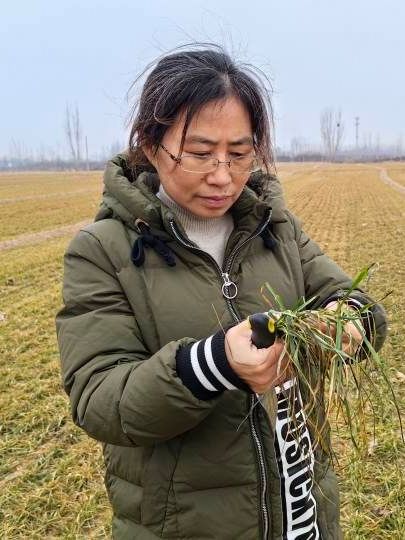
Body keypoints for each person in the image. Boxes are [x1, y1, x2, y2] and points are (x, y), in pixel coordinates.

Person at [56, 45, 387, 540]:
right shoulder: (103, 251)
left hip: (301, 511)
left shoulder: (274, 228)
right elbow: (101, 400)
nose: (223, 176)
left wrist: (345, 325)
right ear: (151, 145)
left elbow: (359, 307)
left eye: (239, 154)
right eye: (199, 153)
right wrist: (214, 364)